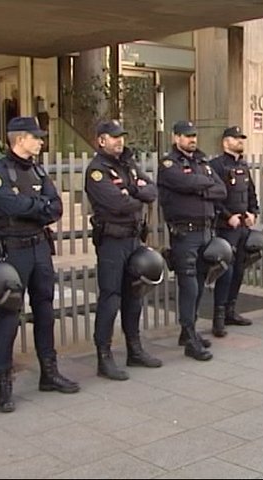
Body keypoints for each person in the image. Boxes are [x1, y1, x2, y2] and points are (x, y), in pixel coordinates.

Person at [0, 116, 79, 413]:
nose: (41, 141)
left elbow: (57, 207)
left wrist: (35, 208)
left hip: (39, 247)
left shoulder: (38, 170)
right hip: (14, 251)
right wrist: (39, 207)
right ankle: (4, 386)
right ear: (20, 138)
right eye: (36, 137)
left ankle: (49, 374)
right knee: (9, 315)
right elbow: (10, 205)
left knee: (45, 310)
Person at [85, 120, 161, 381]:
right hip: (112, 241)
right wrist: (134, 193)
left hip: (133, 239)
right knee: (111, 297)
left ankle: (134, 349)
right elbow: (118, 203)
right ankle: (104, 357)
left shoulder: (128, 164)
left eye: (121, 137)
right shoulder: (97, 170)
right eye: (113, 137)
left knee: (134, 296)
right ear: (101, 140)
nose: (119, 141)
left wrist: (134, 192)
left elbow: (151, 190)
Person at [157, 120, 227, 361]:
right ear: (175, 138)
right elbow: (183, 182)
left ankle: (189, 333)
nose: (192, 139)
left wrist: (200, 188)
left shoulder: (203, 161)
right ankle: (188, 335)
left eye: (194, 135)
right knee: (189, 285)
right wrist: (202, 186)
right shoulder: (169, 164)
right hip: (184, 233)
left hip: (205, 231)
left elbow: (222, 190)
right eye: (187, 136)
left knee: (199, 282)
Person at [204, 126, 258, 337]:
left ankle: (231, 311)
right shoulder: (216, 165)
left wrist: (253, 211)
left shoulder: (243, 165)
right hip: (227, 227)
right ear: (226, 142)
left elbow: (250, 191)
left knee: (239, 269)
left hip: (243, 224)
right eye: (236, 139)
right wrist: (228, 216)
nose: (240, 141)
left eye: (241, 139)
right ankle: (218, 319)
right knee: (225, 271)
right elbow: (214, 197)